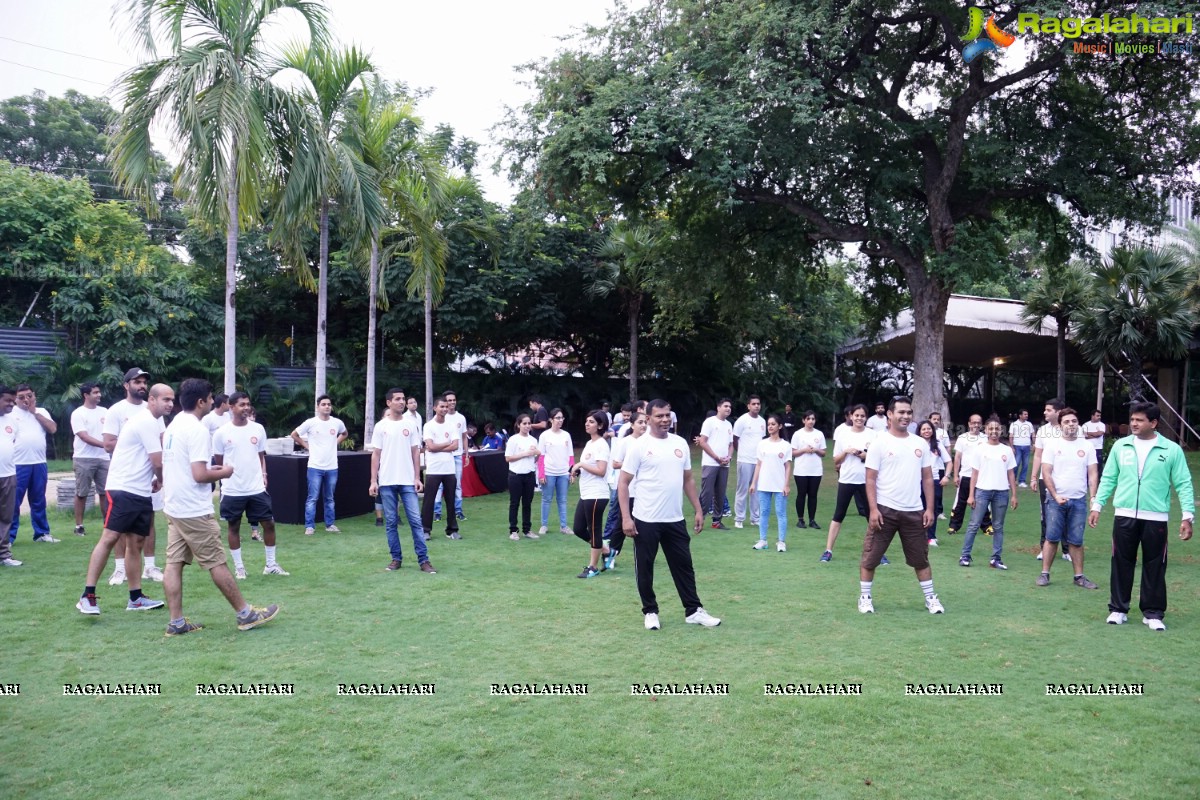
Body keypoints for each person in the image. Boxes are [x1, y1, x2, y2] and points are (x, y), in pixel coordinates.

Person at [161, 378, 279, 636]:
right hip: (193, 509)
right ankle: (245, 614)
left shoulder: (174, 425)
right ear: (201, 402)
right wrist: (224, 472)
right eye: (211, 399)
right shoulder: (198, 429)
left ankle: (176, 622)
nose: (215, 402)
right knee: (217, 562)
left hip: (174, 506)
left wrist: (210, 470)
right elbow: (199, 475)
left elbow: (189, 467)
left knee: (174, 563)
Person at [1089, 402, 1194, 631]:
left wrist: (1188, 516)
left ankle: (1153, 612)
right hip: (1124, 515)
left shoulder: (1171, 450)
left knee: (1155, 565)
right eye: (1132, 419)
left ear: (1153, 423)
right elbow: (1109, 478)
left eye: (1139, 420)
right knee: (1121, 562)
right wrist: (1097, 505)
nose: (1133, 424)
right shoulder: (1121, 446)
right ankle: (1118, 609)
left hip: (1156, 517)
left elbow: (1183, 483)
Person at [618, 399, 720, 630]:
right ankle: (650, 611)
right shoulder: (638, 445)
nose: (665, 420)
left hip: (674, 519)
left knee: (684, 566)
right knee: (645, 566)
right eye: (659, 416)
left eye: (667, 415)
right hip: (646, 519)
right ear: (649, 418)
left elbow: (688, 479)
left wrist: (698, 509)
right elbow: (623, 483)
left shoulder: (680, 443)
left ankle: (693, 610)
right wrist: (626, 517)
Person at [76, 383, 174, 616]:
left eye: (172, 400)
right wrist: (162, 480)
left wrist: (154, 479)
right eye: (165, 399)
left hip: (139, 491)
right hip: (124, 488)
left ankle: (135, 598)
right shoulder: (145, 421)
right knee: (109, 538)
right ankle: (87, 597)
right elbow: (158, 461)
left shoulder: (153, 421)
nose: (170, 404)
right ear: (152, 400)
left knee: (136, 543)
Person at [858, 396, 943, 615]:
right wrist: (874, 509)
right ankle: (865, 598)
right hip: (885, 510)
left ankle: (931, 598)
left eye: (909, 413)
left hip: (914, 511)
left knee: (920, 559)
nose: (905, 416)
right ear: (890, 414)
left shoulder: (919, 444)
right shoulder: (879, 442)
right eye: (901, 412)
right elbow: (870, 479)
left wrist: (930, 509)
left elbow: (927, 478)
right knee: (871, 557)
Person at [212, 391, 288, 579]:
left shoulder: (258, 429)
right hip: (232, 489)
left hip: (256, 488)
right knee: (234, 527)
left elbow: (261, 455)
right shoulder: (221, 433)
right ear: (231, 407)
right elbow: (219, 462)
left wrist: (264, 474)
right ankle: (239, 568)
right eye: (242, 404)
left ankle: (270, 565)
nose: (246, 407)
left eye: (248, 404)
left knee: (269, 524)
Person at [102, 367, 163, 583]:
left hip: (150, 476)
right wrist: (139, 441)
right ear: (126, 385)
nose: (142, 386)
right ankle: (120, 568)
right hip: (126, 477)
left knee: (148, 522)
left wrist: (159, 473)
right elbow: (108, 443)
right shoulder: (116, 411)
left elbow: (161, 441)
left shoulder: (153, 409)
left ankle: (151, 566)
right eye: (136, 382)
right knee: (117, 529)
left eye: (144, 382)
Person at [369, 388, 433, 573]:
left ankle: (424, 560)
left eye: (403, 399)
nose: (401, 402)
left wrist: (416, 477)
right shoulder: (381, 426)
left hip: (407, 481)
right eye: (397, 399)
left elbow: (415, 451)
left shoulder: (411, 424)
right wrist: (374, 480)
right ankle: (396, 559)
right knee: (391, 522)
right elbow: (376, 454)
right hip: (387, 481)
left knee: (415, 520)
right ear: (388, 402)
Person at [1038, 407, 1099, 589]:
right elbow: (1046, 472)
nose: (1071, 424)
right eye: (1066, 422)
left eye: (1073, 421)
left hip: (1079, 500)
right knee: (1052, 538)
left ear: (1077, 423)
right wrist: (1055, 495)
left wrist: (1093, 497)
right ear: (1060, 425)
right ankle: (1044, 574)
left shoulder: (1087, 446)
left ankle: (1079, 577)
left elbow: (1093, 473)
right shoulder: (1052, 445)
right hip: (1056, 500)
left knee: (1076, 540)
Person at [957, 417, 1018, 570]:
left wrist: (1014, 495)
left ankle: (996, 558)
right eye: (991, 429)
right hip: (982, 491)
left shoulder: (1006, 450)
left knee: (998, 526)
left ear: (1001, 430)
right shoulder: (979, 448)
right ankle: (965, 555)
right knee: (974, 524)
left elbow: (1011, 474)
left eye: (997, 429)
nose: (994, 432)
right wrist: (971, 495)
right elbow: (974, 474)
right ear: (986, 430)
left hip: (1002, 492)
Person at [821, 404, 874, 562]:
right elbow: (835, 459)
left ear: (866, 417)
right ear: (851, 416)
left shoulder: (873, 435)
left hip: (866, 481)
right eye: (856, 415)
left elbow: (878, 458)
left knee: (872, 517)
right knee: (838, 515)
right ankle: (828, 550)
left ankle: (878, 552)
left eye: (862, 416)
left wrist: (864, 455)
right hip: (846, 479)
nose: (859, 418)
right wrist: (846, 451)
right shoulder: (843, 435)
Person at [291, 395, 348, 536]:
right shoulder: (310, 422)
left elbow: (345, 433)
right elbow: (294, 434)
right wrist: (306, 445)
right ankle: (309, 526)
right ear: (318, 407)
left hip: (332, 467)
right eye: (323, 404)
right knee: (312, 497)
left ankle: (330, 524)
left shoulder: (337, 422)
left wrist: (335, 443)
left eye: (329, 404)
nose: (327, 406)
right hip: (315, 466)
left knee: (329, 497)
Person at [8, 384, 58, 543]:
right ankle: (8, 537)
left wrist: (34, 412)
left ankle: (42, 533)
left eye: (29, 396)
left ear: (34, 395)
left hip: (39, 463)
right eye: (21, 397)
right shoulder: (10, 414)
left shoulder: (41, 411)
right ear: (15, 399)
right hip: (18, 464)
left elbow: (52, 429)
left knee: (38, 500)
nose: (26, 400)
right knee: (14, 502)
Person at [604, 410, 646, 571]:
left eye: (645, 422)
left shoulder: (649, 442)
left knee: (644, 525)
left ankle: (643, 556)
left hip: (645, 491)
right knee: (622, 526)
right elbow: (615, 463)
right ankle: (610, 555)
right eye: (640, 422)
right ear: (632, 424)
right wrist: (633, 463)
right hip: (629, 490)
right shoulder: (625, 442)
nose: (643, 425)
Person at [570, 410, 610, 577]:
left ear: (600, 425)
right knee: (578, 529)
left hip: (597, 494)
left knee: (594, 530)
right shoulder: (589, 444)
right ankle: (606, 549)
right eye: (587, 421)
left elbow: (601, 471)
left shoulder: (601, 444)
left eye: (592, 422)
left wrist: (580, 465)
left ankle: (592, 567)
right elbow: (589, 466)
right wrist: (577, 471)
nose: (587, 424)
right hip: (586, 493)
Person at [70, 381, 110, 535]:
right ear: (86, 395)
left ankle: (107, 524)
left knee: (105, 492)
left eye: (99, 392)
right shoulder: (78, 413)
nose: (99, 395)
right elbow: (84, 436)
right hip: (84, 458)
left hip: (104, 458)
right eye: (95, 392)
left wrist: (107, 447)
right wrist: (105, 445)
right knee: (82, 493)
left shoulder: (105, 411)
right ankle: (79, 526)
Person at [1029, 398, 1065, 560]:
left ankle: (1067, 549)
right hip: (1046, 478)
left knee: (1067, 513)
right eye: (1045, 410)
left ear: (1058, 412)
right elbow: (1038, 455)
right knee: (1046, 514)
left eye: (1048, 410)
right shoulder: (1043, 431)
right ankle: (1045, 548)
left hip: (1066, 479)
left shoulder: (1071, 428)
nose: (1045, 412)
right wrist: (1034, 477)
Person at [749, 414, 792, 552]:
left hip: (779, 485)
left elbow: (788, 466)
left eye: (773, 424)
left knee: (781, 512)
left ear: (779, 426)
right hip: (764, 484)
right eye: (769, 424)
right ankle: (763, 540)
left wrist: (786, 484)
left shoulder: (785, 445)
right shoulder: (762, 444)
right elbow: (758, 465)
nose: (770, 427)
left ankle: (781, 541)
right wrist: (753, 483)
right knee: (764, 512)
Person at [422, 395, 461, 540]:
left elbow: (456, 445)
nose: (444, 409)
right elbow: (430, 447)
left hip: (449, 469)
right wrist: (447, 443)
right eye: (442, 406)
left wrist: (438, 446)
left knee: (451, 501)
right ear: (435, 408)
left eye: (446, 406)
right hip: (434, 469)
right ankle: (425, 530)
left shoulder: (451, 425)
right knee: (429, 501)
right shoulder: (429, 426)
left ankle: (452, 530)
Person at [946, 414, 990, 536]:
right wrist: (955, 476)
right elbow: (958, 458)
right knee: (960, 502)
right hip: (965, 475)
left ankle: (987, 526)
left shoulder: (985, 438)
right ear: (969, 424)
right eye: (974, 422)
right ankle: (954, 526)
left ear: (981, 424)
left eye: (978, 422)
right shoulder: (962, 438)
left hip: (982, 476)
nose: (976, 425)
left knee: (983, 502)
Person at [697, 398, 733, 531]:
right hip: (710, 463)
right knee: (707, 493)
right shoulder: (710, 422)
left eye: (729, 406)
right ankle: (699, 518)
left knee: (720, 493)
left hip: (724, 464)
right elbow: (703, 442)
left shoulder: (729, 425)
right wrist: (716, 458)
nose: (728, 408)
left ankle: (717, 521)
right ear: (718, 408)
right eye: (725, 406)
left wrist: (728, 457)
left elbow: (731, 444)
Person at [433, 389, 469, 522]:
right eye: (449, 401)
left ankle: (458, 510)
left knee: (457, 484)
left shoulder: (461, 418)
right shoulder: (440, 418)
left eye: (454, 400)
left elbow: (464, 437)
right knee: (440, 485)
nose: (452, 402)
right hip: (443, 456)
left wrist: (467, 453)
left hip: (457, 455)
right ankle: (437, 511)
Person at [732, 395, 766, 529]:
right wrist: (741, 453)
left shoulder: (763, 421)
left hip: (758, 461)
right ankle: (739, 518)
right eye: (753, 404)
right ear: (748, 406)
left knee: (756, 490)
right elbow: (735, 439)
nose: (756, 406)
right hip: (744, 460)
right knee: (742, 489)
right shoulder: (742, 420)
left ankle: (755, 518)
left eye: (758, 404)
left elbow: (763, 441)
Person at [538, 408, 573, 535]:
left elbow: (571, 456)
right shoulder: (544, 435)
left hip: (563, 472)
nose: (560, 420)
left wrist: (571, 472)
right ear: (551, 420)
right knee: (546, 499)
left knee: (562, 500)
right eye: (557, 418)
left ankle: (564, 526)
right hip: (549, 472)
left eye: (561, 418)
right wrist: (541, 474)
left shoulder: (566, 435)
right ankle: (544, 525)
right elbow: (541, 457)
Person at [505, 414, 540, 540]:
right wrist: (524, 454)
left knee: (527, 503)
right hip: (516, 475)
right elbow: (508, 458)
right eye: (524, 423)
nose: (527, 426)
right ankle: (513, 530)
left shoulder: (533, 440)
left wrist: (537, 454)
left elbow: (535, 458)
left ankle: (527, 529)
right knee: (514, 503)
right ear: (518, 424)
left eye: (529, 423)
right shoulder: (513, 439)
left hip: (529, 474)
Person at [916, 419, 950, 546]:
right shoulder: (915, 444)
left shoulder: (937, 444)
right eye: (923, 429)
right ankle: (919, 535)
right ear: (919, 431)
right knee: (918, 508)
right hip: (916, 480)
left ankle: (931, 536)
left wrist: (946, 476)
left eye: (929, 429)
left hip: (934, 480)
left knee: (932, 509)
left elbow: (949, 462)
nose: (926, 431)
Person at [790, 410, 825, 530]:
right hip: (801, 470)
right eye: (808, 419)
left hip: (815, 470)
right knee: (801, 494)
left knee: (813, 495)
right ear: (803, 420)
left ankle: (812, 520)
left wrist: (815, 450)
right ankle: (800, 519)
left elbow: (823, 452)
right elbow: (793, 452)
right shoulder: (797, 434)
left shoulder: (819, 434)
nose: (811, 421)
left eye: (813, 419)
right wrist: (804, 450)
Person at [0, 387, 22, 566]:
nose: (11, 404)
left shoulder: (12, 421)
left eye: (12, 401)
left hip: (8, 474)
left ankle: (4, 555)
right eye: (7, 400)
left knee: (6, 516)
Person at [928, 411, 952, 519]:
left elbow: (947, 447)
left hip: (940, 466)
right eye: (934, 419)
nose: (936, 421)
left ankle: (939, 511)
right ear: (930, 420)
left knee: (939, 491)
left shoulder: (943, 432)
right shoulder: (924, 432)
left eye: (938, 419)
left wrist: (948, 460)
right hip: (928, 467)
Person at [1009, 409, 1034, 487]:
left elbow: (1033, 434)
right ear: (1020, 415)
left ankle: (1022, 481)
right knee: (1016, 463)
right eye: (1025, 414)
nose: (1026, 415)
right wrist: (1012, 447)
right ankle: (1012, 480)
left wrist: (1034, 444)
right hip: (1017, 446)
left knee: (1026, 464)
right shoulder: (1014, 424)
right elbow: (1011, 436)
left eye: (1027, 414)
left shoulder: (1029, 424)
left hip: (1026, 446)